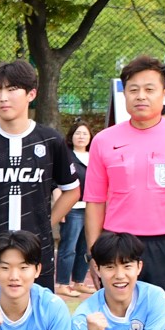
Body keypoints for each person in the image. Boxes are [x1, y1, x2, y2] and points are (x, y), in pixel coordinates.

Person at [81, 55, 165, 296]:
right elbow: (95, 202)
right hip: (116, 243)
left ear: (164, 93)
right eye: (133, 89)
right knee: (119, 319)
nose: (141, 96)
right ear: (124, 93)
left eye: (150, 89)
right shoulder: (104, 140)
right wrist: (94, 254)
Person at [0, 60, 81, 289]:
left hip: (35, 256)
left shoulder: (50, 139)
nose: (3, 97)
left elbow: (72, 190)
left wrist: (46, 223)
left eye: (11, 89)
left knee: (37, 322)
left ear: (31, 94)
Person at [54, 123, 93, 294]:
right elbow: (56, 184)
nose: (81, 136)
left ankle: (79, 281)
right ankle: (63, 284)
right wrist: (60, 209)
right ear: (71, 136)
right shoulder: (66, 156)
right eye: (78, 133)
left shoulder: (94, 157)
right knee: (68, 247)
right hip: (72, 208)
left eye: (85, 134)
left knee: (85, 247)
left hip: (91, 208)